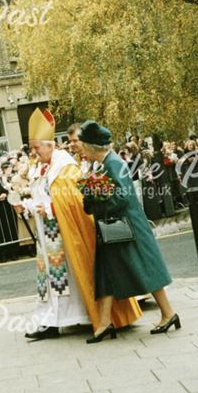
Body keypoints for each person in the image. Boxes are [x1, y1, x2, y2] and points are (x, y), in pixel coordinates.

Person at [20, 110, 141, 340]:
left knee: (73, 277)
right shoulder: (40, 166)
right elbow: (43, 194)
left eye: (37, 148)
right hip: (49, 233)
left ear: (50, 145)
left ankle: (83, 316)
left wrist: (50, 209)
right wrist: (29, 206)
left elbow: (74, 199)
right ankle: (52, 320)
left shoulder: (64, 166)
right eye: (31, 148)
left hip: (65, 233)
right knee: (53, 277)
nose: (33, 153)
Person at [76, 121, 178, 342]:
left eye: (83, 145)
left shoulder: (113, 164)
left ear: (93, 146)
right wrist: (90, 198)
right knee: (105, 273)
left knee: (144, 268)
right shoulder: (101, 164)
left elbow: (123, 197)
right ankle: (104, 323)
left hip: (126, 226)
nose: (80, 149)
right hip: (113, 227)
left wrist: (94, 199)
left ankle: (168, 313)